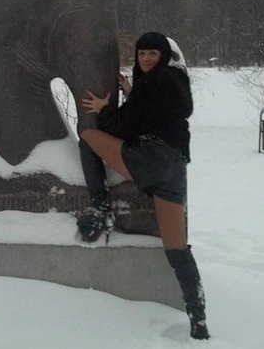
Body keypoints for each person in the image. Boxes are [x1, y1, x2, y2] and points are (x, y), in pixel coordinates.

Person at [77, 32, 210, 340]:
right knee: (177, 250)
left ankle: (101, 206)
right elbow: (153, 113)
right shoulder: (174, 82)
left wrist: (104, 109)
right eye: (142, 54)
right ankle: (199, 321)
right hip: (174, 170)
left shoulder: (153, 83)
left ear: (163, 56)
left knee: (88, 138)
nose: (147, 59)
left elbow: (123, 126)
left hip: (149, 160)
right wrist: (132, 93)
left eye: (153, 53)